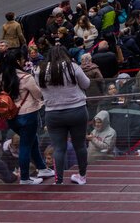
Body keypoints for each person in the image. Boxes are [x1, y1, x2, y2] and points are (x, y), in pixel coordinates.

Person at [0, 48, 53, 185]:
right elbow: (38, 94)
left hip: (11, 116)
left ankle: (42, 168)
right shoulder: (26, 78)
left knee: (32, 141)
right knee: (26, 145)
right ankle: (25, 178)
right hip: (28, 115)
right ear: (17, 61)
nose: (24, 61)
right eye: (22, 59)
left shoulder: (1, 77)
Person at [40, 45, 91, 184]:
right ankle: (82, 176)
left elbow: (39, 92)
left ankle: (59, 180)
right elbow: (86, 84)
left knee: (58, 148)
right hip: (77, 110)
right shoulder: (72, 67)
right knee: (80, 145)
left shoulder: (40, 70)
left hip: (53, 113)